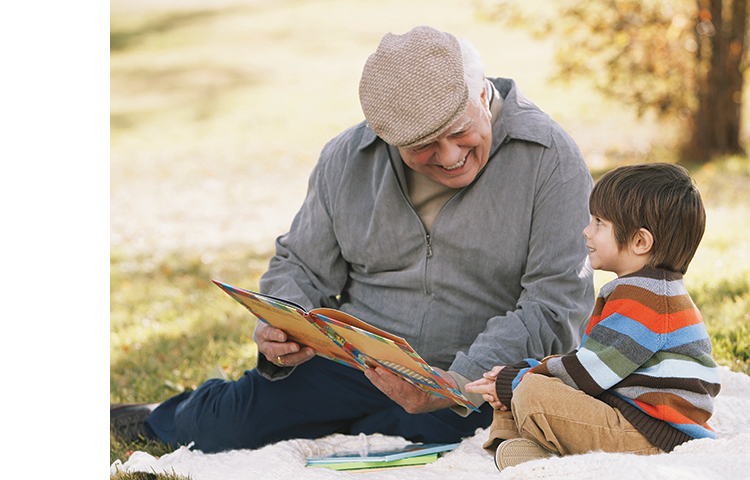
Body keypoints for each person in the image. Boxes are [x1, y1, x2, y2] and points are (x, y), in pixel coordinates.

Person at [111, 25, 595, 453]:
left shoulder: (551, 160)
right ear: (386, 135)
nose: (448, 156)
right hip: (359, 369)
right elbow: (300, 265)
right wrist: (282, 323)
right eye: (422, 145)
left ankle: (373, 423)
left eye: (459, 131)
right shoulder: (347, 157)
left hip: (477, 383)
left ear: (482, 94)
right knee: (221, 427)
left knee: (470, 437)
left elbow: (554, 306)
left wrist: (454, 384)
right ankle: (168, 412)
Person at [466, 162, 722, 471]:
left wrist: (520, 379)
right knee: (522, 379)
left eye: (600, 222)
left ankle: (537, 450)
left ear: (640, 242)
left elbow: (589, 373)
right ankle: (517, 447)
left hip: (652, 437)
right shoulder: (642, 289)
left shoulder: (649, 298)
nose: (587, 230)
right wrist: (521, 374)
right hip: (627, 414)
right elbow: (592, 361)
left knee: (529, 387)